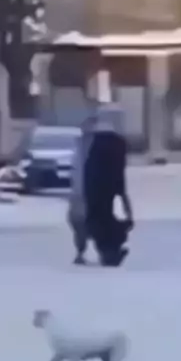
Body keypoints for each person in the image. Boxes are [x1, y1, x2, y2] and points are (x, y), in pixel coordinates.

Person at [84, 104, 134, 267]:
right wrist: (122, 193)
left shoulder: (92, 141)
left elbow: (86, 164)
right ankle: (111, 249)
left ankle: (107, 249)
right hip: (111, 185)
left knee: (98, 217)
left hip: (93, 185)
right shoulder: (118, 142)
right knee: (109, 217)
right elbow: (119, 168)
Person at [67, 113, 96, 265]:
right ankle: (80, 251)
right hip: (79, 192)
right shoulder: (78, 145)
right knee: (78, 222)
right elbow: (75, 169)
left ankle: (103, 250)